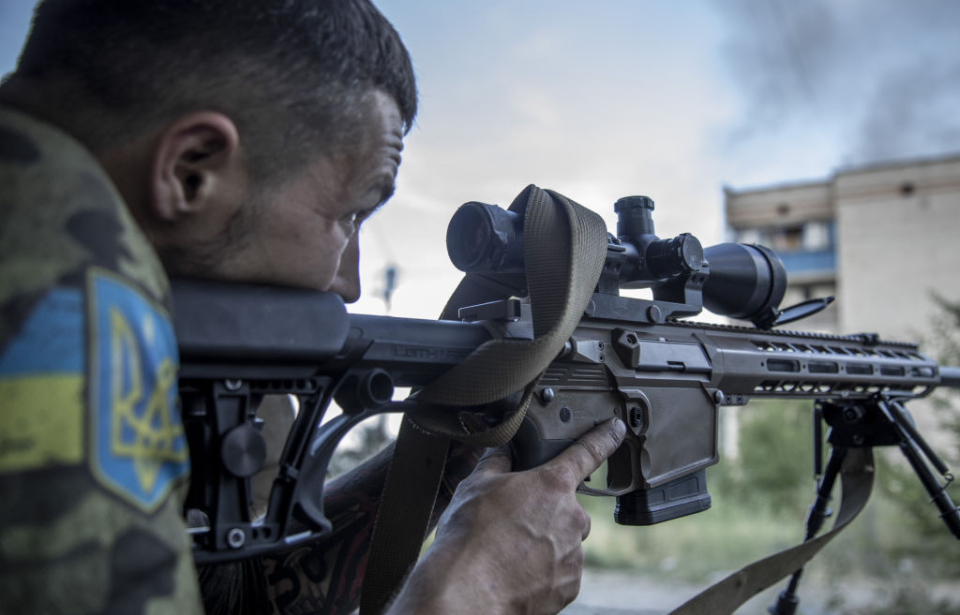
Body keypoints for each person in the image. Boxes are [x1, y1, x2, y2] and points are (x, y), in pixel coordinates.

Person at [0, 1, 626, 614]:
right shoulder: (56, 307)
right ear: (191, 170)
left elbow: (234, 596)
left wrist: (483, 412)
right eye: (348, 215)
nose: (349, 282)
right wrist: (471, 594)